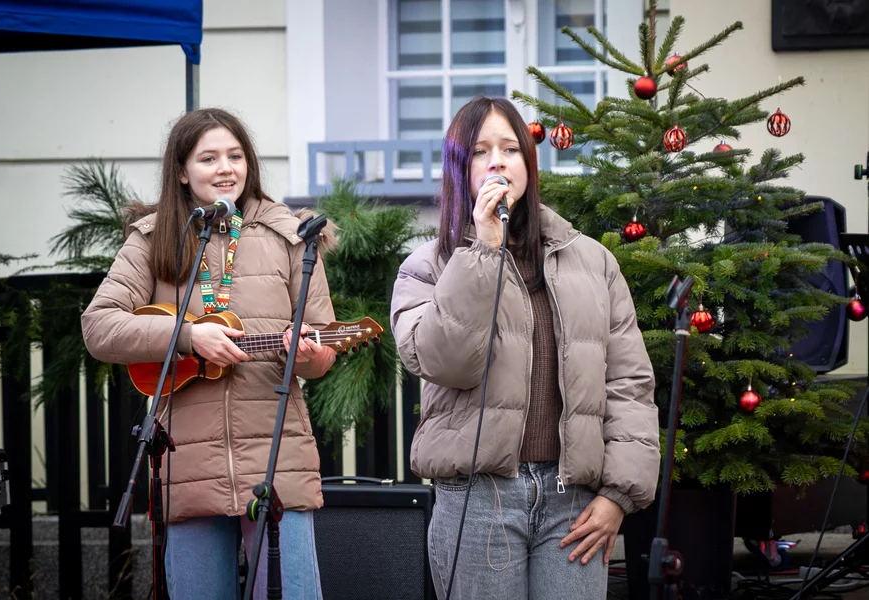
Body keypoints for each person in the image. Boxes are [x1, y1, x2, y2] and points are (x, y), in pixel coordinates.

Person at [390, 96, 660, 599]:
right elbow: (445, 361)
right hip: (478, 499)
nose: (497, 161)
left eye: (510, 149)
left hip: (573, 502)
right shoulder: (427, 267)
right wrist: (483, 251)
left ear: (529, 165)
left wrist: (618, 496)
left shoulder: (593, 261)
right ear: (458, 170)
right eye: (479, 151)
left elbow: (628, 383)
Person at [82, 108, 336, 599]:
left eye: (235, 156)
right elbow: (98, 326)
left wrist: (304, 353)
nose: (226, 168)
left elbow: (322, 347)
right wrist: (187, 337)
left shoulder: (292, 236)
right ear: (181, 170)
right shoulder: (153, 238)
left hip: (277, 463)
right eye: (209, 158)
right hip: (188, 466)